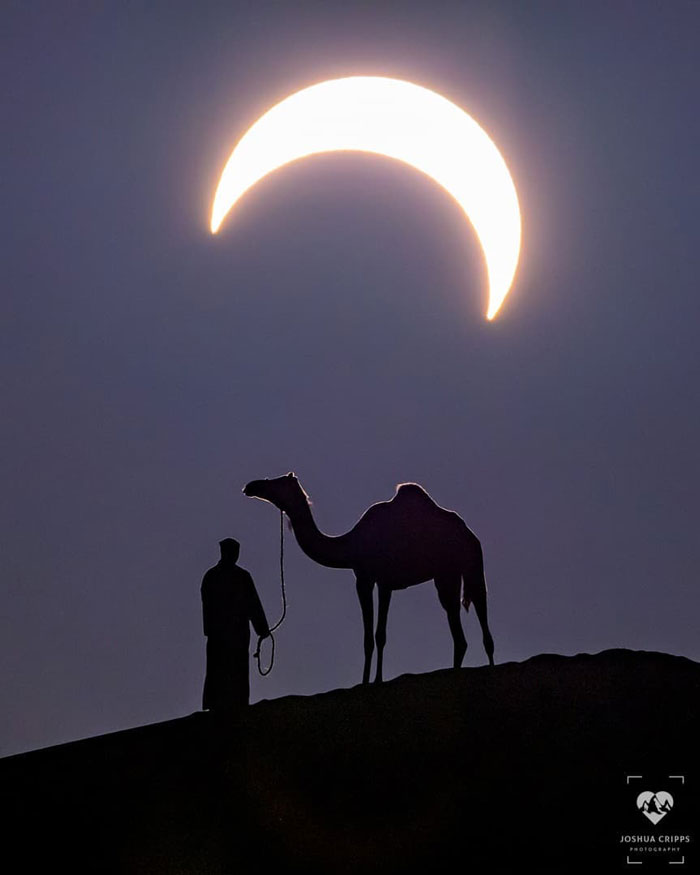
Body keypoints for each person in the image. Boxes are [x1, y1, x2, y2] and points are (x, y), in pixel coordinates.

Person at [201, 538, 270, 713]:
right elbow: (252, 604)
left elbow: (252, 604)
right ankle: (225, 703)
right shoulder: (236, 577)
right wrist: (261, 628)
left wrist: (261, 628)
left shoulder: (214, 576)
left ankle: (229, 702)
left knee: (229, 667)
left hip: (226, 633)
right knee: (225, 667)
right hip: (228, 633)